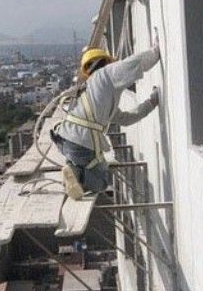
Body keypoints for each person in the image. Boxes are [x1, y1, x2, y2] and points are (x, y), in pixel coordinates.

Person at [51, 43, 160, 200]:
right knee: (102, 182)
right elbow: (136, 63)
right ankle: (77, 173)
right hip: (82, 144)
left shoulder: (90, 91)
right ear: (107, 62)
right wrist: (155, 51)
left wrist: (150, 103)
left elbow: (124, 118)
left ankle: (74, 170)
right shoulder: (107, 73)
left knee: (79, 161)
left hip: (64, 139)